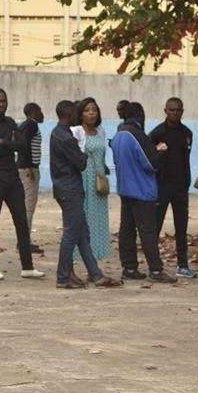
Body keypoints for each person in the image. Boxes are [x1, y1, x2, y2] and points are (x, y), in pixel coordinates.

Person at [51, 100, 122, 290]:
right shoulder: (67, 137)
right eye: (78, 112)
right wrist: (84, 156)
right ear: (69, 114)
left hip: (67, 187)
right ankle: (63, 276)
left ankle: (96, 274)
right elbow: (81, 162)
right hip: (70, 188)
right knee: (71, 233)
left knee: (82, 233)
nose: (81, 115)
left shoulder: (58, 133)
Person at [0, 88, 46, 280]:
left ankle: (28, 266)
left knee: (22, 221)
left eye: (4, 101)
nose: (1, 104)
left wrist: (2, 142)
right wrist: (10, 143)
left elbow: (22, 145)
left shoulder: (11, 122)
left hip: (12, 177)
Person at [111, 102, 177, 283]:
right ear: (140, 115)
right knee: (147, 231)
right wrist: (160, 151)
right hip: (142, 191)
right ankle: (156, 270)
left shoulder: (118, 135)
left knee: (127, 230)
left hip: (125, 189)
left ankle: (129, 267)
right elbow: (151, 163)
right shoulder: (137, 135)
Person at [150, 96, 198, 278]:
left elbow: (186, 159)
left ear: (182, 111)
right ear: (165, 111)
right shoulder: (157, 133)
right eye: (171, 110)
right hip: (162, 187)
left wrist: (186, 183)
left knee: (182, 227)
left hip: (180, 188)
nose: (175, 113)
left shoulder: (187, 133)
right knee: (155, 226)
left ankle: (183, 265)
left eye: (178, 110)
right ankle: (153, 264)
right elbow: (150, 157)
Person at [70, 97, 111, 261]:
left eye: (94, 109)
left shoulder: (101, 131)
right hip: (84, 180)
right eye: (87, 110)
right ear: (81, 114)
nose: (91, 113)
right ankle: (83, 258)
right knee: (84, 220)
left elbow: (102, 157)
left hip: (99, 182)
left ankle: (95, 259)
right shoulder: (76, 131)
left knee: (98, 222)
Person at [17, 102, 44, 254]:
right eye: (40, 111)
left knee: (26, 205)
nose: (42, 115)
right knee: (28, 206)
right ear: (34, 112)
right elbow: (23, 145)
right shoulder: (31, 125)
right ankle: (24, 243)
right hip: (29, 169)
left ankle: (23, 241)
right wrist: (28, 167)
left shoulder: (25, 125)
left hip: (26, 168)